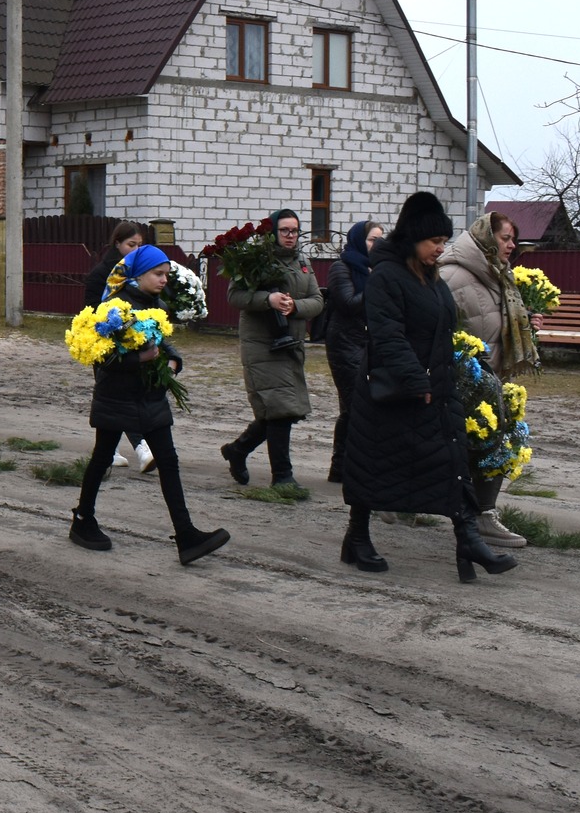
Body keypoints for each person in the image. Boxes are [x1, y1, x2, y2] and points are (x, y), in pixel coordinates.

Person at [342, 191, 520, 583]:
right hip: (392, 392)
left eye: (443, 242)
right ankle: (357, 536)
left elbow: (446, 330)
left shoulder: (433, 278)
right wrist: (415, 379)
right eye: (433, 242)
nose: (440, 249)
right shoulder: (386, 276)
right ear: (412, 239)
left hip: (437, 389)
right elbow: (388, 336)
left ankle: (468, 541)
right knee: (376, 463)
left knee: (452, 463)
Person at [68, 245, 230, 565]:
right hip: (118, 395)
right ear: (138, 274)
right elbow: (102, 359)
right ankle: (83, 520)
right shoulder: (113, 307)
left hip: (149, 396)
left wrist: (173, 361)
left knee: (167, 460)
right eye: (157, 274)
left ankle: (185, 535)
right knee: (102, 457)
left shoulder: (154, 302)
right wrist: (137, 359)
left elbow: (160, 340)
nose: (162, 280)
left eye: (166, 275)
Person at [438, 211, 539, 549]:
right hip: (464, 383)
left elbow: (499, 329)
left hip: (496, 378)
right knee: (460, 451)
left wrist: (527, 325)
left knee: (500, 445)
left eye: (513, 239)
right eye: (505, 238)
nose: (511, 245)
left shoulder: (499, 276)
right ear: (485, 236)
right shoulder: (452, 276)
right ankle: (387, 499)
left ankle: (482, 516)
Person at [219, 209, 323, 495]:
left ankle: (237, 450)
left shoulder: (302, 260)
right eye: (285, 230)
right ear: (273, 232)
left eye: (295, 231)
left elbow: (317, 300)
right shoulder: (255, 259)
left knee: (282, 409)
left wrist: (294, 307)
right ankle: (282, 476)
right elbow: (235, 296)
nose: (291, 236)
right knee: (279, 409)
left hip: (291, 343)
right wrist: (269, 299)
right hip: (262, 344)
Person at [85, 221, 155, 472]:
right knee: (114, 397)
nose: (136, 249)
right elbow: (91, 314)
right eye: (130, 245)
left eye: (140, 245)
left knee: (123, 398)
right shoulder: (101, 274)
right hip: (107, 347)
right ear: (117, 244)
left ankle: (109, 451)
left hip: (137, 345)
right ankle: (141, 448)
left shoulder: (141, 272)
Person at [323, 220, 384, 486]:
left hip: (370, 345)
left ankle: (342, 467)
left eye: (381, 240)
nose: (377, 245)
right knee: (356, 405)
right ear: (360, 240)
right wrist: (375, 283)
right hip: (345, 344)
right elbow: (347, 303)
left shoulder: (378, 268)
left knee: (355, 408)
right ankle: (348, 467)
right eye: (372, 240)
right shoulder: (342, 267)